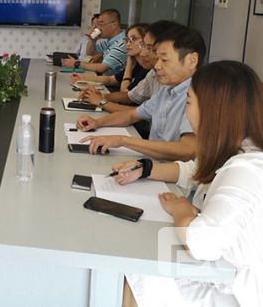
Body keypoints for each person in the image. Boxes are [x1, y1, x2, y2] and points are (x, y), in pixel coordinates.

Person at [112, 61, 263, 307]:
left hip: (234, 295)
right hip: (219, 275)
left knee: (134, 270)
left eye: (189, 102)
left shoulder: (246, 170)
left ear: (213, 110)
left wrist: (181, 211)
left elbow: (201, 244)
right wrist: (145, 169)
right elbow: (195, 171)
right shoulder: (238, 150)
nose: (185, 111)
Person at [76, 25, 206, 161]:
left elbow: (186, 150)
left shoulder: (199, 96)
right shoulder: (167, 90)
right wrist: (97, 122)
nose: (157, 66)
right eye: (158, 58)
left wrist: (123, 140)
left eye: (164, 60)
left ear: (192, 61)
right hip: (153, 163)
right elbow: (132, 115)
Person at [75, 21, 179, 113]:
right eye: (127, 40)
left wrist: (101, 101)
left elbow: (142, 111)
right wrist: (100, 96)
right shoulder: (152, 72)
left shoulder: (162, 75)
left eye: (150, 48)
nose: (143, 53)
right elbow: (130, 96)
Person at [71, 23, 149, 92]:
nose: (128, 44)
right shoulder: (136, 63)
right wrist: (83, 78)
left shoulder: (147, 68)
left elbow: (125, 92)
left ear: (146, 41)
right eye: (127, 40)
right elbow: (111, 79)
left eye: (133, 39)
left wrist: (129, 64)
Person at [62, 9, 127, 75]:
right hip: (104, 78)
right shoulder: (109, 41)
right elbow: (90, 53)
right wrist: (92, 40)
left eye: (101, 24)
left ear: (114, 24)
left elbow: (102, 68)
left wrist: (76, 63)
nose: (99, 28)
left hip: (110, 81)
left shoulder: (121, 44)